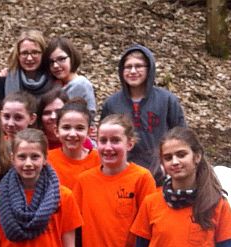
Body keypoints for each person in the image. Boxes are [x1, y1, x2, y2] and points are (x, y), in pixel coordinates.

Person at [72, 114, 155, 247]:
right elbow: (75, 234)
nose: (108, 147)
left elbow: (150, 234)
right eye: (103, 141)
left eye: (115, 140)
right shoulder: (84, 181)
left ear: (129, 143)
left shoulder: (142, 179)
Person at [101, 44, 186, 181]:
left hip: (160, 172)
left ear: (149, 69)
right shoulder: (112, 104)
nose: (133, 71)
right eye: (128, 67)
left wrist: (169, 162)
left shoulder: (166, 100)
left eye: (138, 66)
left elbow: (182, 135)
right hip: (123, 172)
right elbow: (104, 139)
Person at [46, 98, 100, 190]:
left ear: (89, 132)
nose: (72, 134)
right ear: (56, 131)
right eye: (66, 127)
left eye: (79, 128)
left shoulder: (99, 160)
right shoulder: (47, 160)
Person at [0, 29, 55, 102]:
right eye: (24, 53)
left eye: (35, 52)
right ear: (18, 55)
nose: (29, 58)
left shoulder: (54, 78)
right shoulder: (4, 81)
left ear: (43, 53)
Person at [45, 37, 96, 119]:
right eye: (51, 62)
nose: (55, 65)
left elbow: (90, 116)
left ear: (71, 58)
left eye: (61, 59)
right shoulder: (52, 84)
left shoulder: (81, 84)